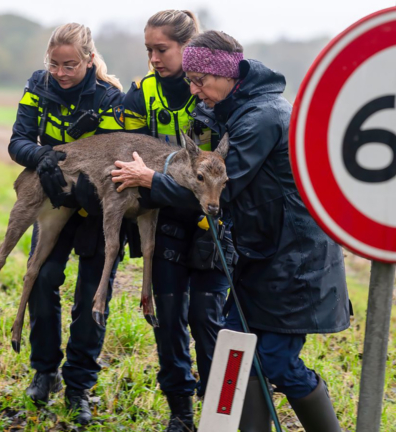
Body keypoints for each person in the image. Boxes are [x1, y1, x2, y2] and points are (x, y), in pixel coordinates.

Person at [111, 30, 350, 432]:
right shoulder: (237, 111)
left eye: (200, 80)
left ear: (226, 76)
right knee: (235, 349)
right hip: (261, 257)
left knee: (277, 361)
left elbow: (219, 189)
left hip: (293, 261)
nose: (194, 89)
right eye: (191, 80)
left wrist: (152, 180)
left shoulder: (261, 117)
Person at [122, 11, 234, 432]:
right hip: (164, 222)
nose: (153, 58)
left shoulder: (214, 93)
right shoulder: (139, 95)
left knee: (207, 321)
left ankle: (216, 416)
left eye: (162, 49)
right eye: (148, 49)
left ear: (189, 49)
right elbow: (124, 154)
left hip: (209, 228)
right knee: (168, 320)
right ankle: (180, 414)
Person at [7, 22, 125, 425]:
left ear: (89, 60)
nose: (60, 72)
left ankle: (79, 388)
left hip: (95, 209)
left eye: (70, 64)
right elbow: (18, 140)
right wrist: (41, 158)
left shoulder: (111, 97)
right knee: (42, 279)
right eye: (54, 64)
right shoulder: (37, 85)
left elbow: (116, 161)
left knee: (92, 295)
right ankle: (45, 372)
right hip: (55, 202)